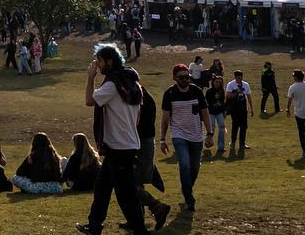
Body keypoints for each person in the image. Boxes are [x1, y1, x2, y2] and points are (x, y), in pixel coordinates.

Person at [76, 44, 152, 235]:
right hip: (126, 143)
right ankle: (94, 225)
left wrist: (90, 77)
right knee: (102, 187)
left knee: (125, 193)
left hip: (119, 146)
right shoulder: (133, 83)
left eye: (100, 61)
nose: (98, 65)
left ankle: (140, 229)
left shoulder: (112, 85)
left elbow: (89, 100)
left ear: (110, 61)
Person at [159, 62, 211, 212]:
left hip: (196, 135)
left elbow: (205, 113)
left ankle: (186, 189)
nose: (185, 80)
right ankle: (189, 199)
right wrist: (162, 139)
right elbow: (165, 118)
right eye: (181, 77)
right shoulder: (169, 94)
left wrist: (209, 133)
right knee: (185, 164)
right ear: (174, 78)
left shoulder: (197, 91)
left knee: (194, 168)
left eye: (187, 77)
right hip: (178, 135)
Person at [225, 70, 253, 152]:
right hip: (235, 108)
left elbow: (248, 96)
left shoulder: (246, 85)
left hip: (243, 108)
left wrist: (251, 108)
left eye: (240, 78)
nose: (239, 80)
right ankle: (233, 143)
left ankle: (242, 144)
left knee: (244, 126)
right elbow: (227, 96)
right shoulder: (231, 85)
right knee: (235, 125)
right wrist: (236, 93)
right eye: (237, 78)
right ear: (234, 77)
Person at [205, 74, 227, 155]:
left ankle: (221, 147)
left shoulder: (222, 91)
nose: (218, 83)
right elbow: (206, 102)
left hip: (219, 112)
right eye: (216, 82)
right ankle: (207, 142)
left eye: (219, 82)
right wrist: (213, 104)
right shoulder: (209, 91)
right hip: (211, 112)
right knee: (211, 128)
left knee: (222, 127)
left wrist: (224, 110)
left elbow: (223, 102)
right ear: (213, 82)